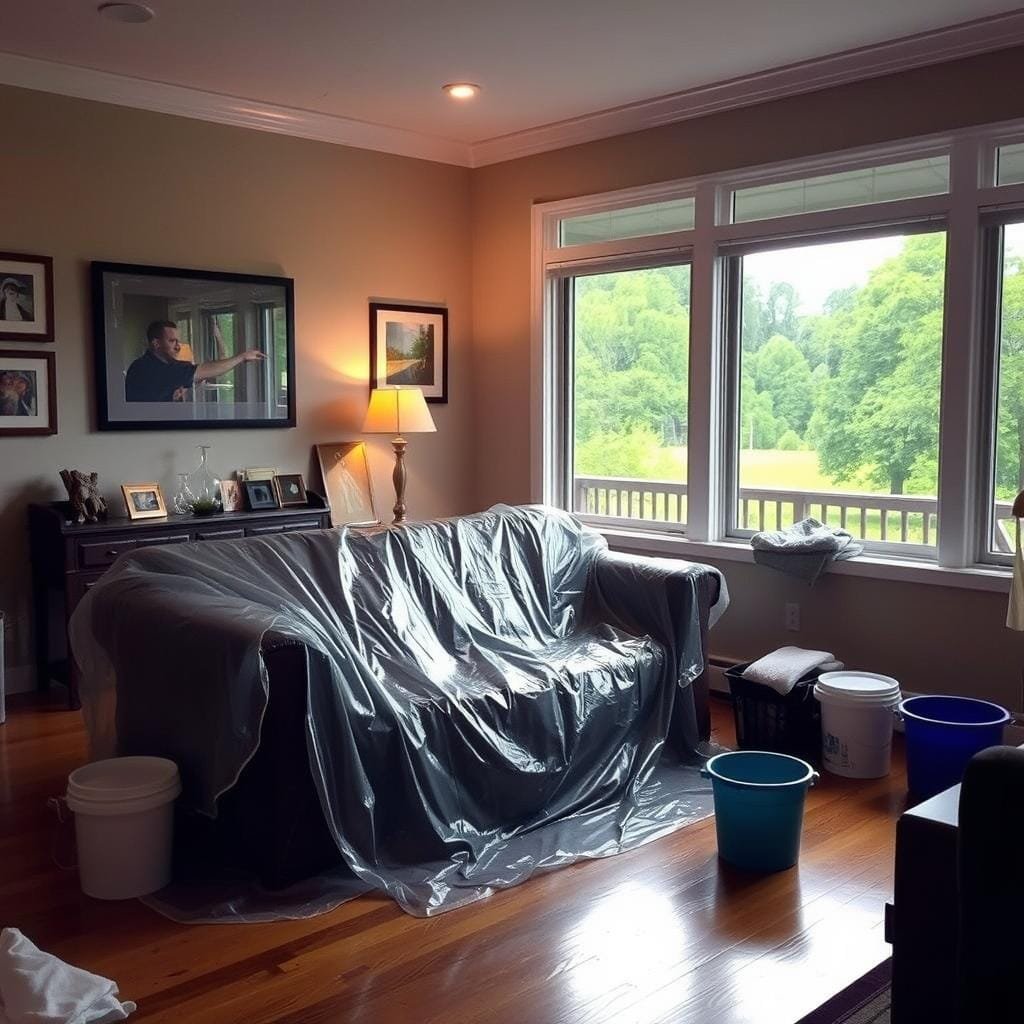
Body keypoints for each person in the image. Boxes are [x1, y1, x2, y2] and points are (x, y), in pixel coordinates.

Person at [124, 320, 265, 403]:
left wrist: (171, 394)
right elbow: (209, 370)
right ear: (156, 344)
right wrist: (242, 357)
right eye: (172, 341)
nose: (178, 347)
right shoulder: (157, 369)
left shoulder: (140, 365)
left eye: (178, 341)